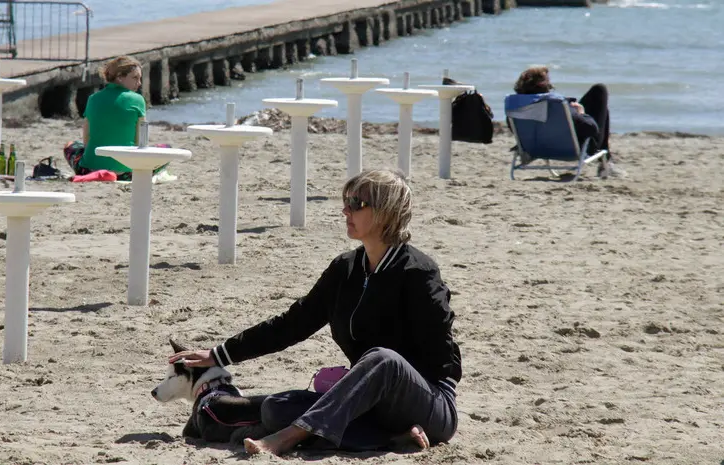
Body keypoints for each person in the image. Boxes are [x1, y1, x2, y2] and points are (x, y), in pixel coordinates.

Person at [169, 169, 462, 456]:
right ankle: (390, 437)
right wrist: (220, 354)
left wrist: (378, 380)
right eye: (345, 201)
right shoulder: (345, 269)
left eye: (356, 204)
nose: (345, 210)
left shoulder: (419, 273)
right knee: (276, 407)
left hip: (430, 402)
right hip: (369, 405)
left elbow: (443, 363)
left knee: (383, 359)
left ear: (385, 211)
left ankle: (289, 436)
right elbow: (294, 323)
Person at [513, 66, 625, 178]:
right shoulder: (557, 105)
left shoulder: (515, 107)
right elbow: (592, 129)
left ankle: (607, 162)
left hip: (537, 148)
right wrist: (581, 113)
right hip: (573, 148)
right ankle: (606, 162)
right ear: (545, 85)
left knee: (600, 106)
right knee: (600, 90)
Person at [69, 55, 145, 177]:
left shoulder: (93, 99)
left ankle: (102, 170)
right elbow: (140, 140)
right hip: (126, 172)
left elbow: (86, 139)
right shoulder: (138, 100)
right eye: (135, 78)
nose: (139, 83)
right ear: (120, 77)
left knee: (70, 146)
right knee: (164, 148)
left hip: (89, 169)